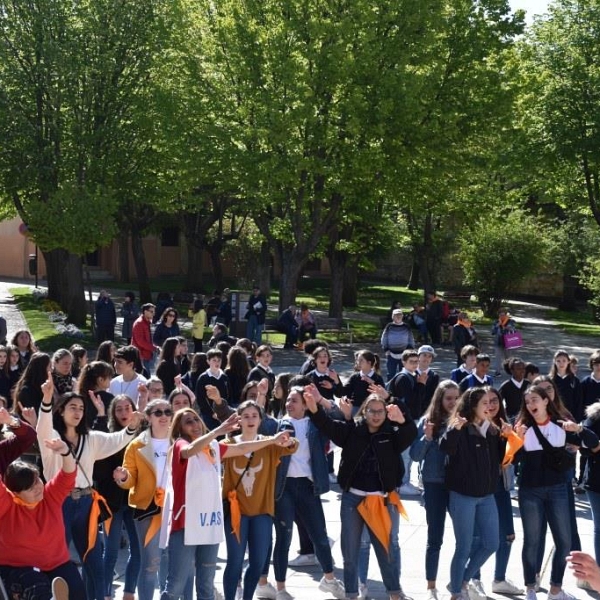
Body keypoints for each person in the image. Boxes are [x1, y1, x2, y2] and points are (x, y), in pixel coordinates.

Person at [304, 389, 417, 600]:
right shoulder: (352, 431)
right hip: (352, 500)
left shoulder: (392, 434)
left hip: (382, 501)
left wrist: (403, 419)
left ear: (385, 413)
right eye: (372, 411)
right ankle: (351, 594)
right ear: (364, 412)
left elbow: (410, 432)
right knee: (350, 552)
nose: (376, 415)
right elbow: (328, 426)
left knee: (386, 550)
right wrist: (314, 408)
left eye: (380, 411)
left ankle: (395, 593)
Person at [37, 376, 141, 600]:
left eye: (81, 408)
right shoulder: (52, 438)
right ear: (61, 411)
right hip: (58, 503)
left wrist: (132, 427)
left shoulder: (90, 438)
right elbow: (42, 430)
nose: (78, 412)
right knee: (56, 557)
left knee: (94, 560)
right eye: (72, 407)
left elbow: (117, 440)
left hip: (85, 503)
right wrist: (46, 400)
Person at [515, 384, 599, 600]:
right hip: (530, 491)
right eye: (527, 401)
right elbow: (511, 460)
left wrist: (579, 429)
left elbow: (593, 443)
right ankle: (530, 589)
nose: (530, 404)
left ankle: (555, 589)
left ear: (545, 401)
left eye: (534, 399)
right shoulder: (522, 428)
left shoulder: (561, 426)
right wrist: (515, 440)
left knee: (564, 541)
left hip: (558, 489)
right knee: (532, 541)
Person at [270, 387, 345, 600]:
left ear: (305, 404)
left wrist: (320, 401)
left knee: (320, 536)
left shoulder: (315, 424)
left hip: (308, 487)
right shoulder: (278, 425)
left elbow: (339, 419)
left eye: (294, 401)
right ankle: (281, 588)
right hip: (284, 488)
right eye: (288, 400)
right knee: (283, 539)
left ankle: (329, 580)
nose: (289, 404)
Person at [221, 401, 298, 600]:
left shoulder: (270, 442)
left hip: (262, 511)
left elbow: (292, 446)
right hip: (236, 513)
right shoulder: (228, 444)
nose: (250, 419)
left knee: (258, 563)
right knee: (235, 562)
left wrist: (287, 441)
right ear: (239, 419)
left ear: (260, 419)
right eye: (245, 416)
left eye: (254, 415)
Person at [440, 387, 509, 600]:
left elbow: (503, 460)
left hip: (487, 495)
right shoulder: (460, 427)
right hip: (463, 496)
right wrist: (454, 431)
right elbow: (445, 448)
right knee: (464, 547)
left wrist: (506, 437)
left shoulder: (492, 429)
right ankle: (456, 593)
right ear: (473, 407)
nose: (491, 406)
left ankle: (460, 580)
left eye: (492, 402)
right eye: (485, 403)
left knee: (491, 543)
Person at [0, 437, 85, 600]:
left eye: (37, 481)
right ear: (16, 493)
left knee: (76, 589)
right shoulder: (6, 505)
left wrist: (66, 452)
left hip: (57, 565)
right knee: (36, 586)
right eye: (30, 488)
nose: (38, 488)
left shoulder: (49, 495)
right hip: (18, 569)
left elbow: (68, 475)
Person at [114, 399, 174, 600]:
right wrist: (123, 477)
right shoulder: (137, 445)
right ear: (149, 417)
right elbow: (130, 479)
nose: (164, 416)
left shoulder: (180, 441)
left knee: (171, 560)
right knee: (150, 563)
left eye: (167, 411)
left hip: (174, 508)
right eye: (158, 413)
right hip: (147, 509)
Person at [410, 380, 459, 600]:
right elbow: (415, 455)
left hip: (459, 485)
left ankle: (462, 582)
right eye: (448, 398)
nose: (453, 402)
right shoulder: (427, 421)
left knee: (466, 538)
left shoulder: (462, 421)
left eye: (456, 397)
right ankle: (431, 586)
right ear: (439, 399)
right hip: (434, 484)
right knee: (435, 538)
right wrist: (427, 437)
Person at [94, 395, 141, 600]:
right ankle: (105, 594)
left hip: (134, 502)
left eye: (127, 408)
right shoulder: (109, 436)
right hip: (112, 503)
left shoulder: (141, 436)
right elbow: (99, 469)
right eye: (119, 409)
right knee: (111, 552)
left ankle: (129, 592)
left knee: (138, 550)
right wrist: (101, 415)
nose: (124, 413)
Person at [341, 350, 385, 416]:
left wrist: (372, 383)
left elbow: (382, 395)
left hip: (371, 408)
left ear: (369, 363)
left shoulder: (377, 378)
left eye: (361, 360)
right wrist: (336, 382)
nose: (358, 363)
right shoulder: (355, 376)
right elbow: (344, 391)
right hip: (355, 406)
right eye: (357, 360)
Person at [380, 308, 415, 381]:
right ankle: (389, 390)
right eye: (396, 315)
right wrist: (386, 349)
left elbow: (411, 338)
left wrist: (410, 349)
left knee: (404, 373)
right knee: (391, 374)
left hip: (404, 354)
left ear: (402, 316)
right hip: (391, 354)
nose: (398, 317)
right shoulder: (389, 326)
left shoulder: (406, 326)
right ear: (393, 317)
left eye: (400, 315)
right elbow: (384, 338)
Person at [550, 349, 583, 422]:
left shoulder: (574, 380)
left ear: (568, 362)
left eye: (564, 361)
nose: (561, 363)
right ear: (554, 362)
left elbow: (579, 402)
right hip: (553, 417)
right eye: (558, 361)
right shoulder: (550, 380)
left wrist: (577, 420)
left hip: (570, 418)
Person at [499, 357, 529, 422]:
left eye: (523, 368)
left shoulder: (529, 384)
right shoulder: (506, 386)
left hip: (527, 417)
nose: (522, 371)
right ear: (512, 371)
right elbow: (498, 401)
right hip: (511, 418)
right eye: (518, 369)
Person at [132, 303, 159, 375]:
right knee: (144, 378)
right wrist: (154, 348)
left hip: (146, 355)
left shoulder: (147, 322)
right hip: (141, 356)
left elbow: (148, 339)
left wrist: (154, 347)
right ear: (145, 311)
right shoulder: (139, 323)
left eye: (154, 312)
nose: (153, 314)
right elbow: (140, 342)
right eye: (151, 311)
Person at [491, 309, 517, 376]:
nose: (502, 316)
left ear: (506, 315)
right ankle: (497, 372)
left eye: (503, 315)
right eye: (500, 315)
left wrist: (508, 328)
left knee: (508, 358)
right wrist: (497, 325)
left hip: (508, 342)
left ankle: (509, 370)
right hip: (498, 342)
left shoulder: (511, 321)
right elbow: (492, 332)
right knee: (498, 358)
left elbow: (514, 329)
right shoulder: (496, 322)